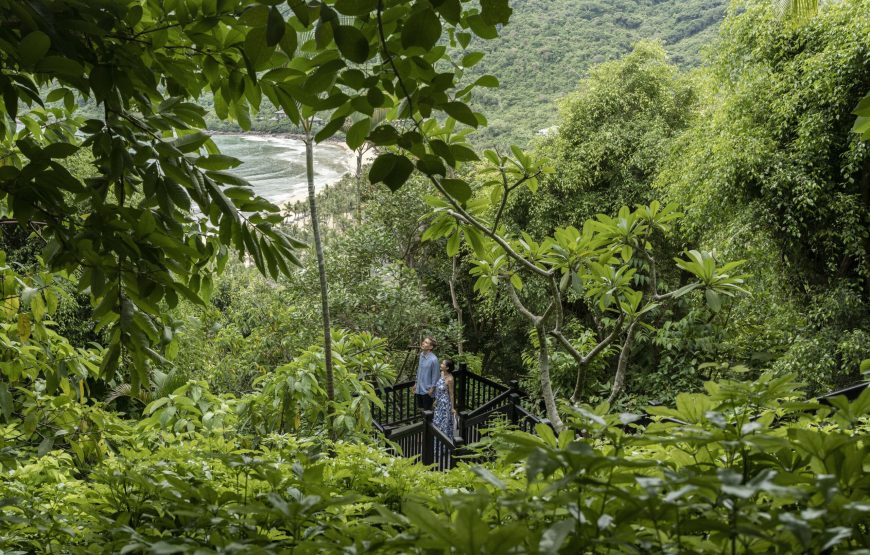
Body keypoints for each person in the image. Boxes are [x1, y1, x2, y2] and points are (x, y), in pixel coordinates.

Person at [433, 359, 457, 440]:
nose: (441, 365)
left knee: (443, 424)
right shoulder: (442, 373)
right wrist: (436, 400)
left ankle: (444, 445)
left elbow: (451, 394)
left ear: (447, 368)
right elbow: (439, 390)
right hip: (439, 402)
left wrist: (453, 408)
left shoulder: (450, 379)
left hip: (445, 404)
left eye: (442, 364)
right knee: (436, 422)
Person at [413, 336, 439, 411]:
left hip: (427, 390)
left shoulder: (434, 360)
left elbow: (436, 376)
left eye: (426, 342)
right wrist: (416, 383)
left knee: (428, 412)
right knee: (421, 410)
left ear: (430, 347)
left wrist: (432, 389)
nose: (423, 343)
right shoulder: (421, 355)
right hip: (419, 388)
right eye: (424, 341)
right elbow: (419, 370)